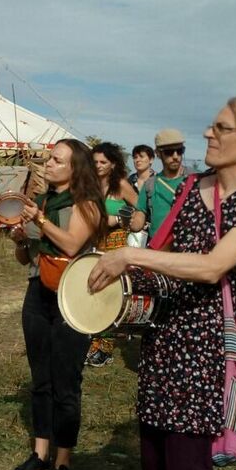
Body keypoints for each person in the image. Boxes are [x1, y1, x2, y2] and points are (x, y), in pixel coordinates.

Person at [87, 96, 236, 470]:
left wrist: (130, 254)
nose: (208, 135)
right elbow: (166, 256)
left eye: (221, 128)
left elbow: (212, 266)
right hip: (163, 337)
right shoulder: (192, 186)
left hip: (206, 348)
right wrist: (107, 285)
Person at [8, 137, 104, 470]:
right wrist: (20, 239)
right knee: (40, 379)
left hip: (73, 300)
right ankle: (40, 453)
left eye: (56, 160)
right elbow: (27, 258)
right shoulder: (43, 202)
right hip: (37, 293)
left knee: (66, 383)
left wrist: (40, 220)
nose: (48, 164)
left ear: (74, 168)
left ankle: (63, 462)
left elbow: (71, 244)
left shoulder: (86, 204)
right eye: (49, 158)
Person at [87, 142, 139, 367]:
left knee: (109, 293)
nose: (98, 166)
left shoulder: (121, 185)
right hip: (91, 242)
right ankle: (92, 340)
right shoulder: (89, 185)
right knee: (91, 290)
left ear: (113, 164)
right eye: (95, 161)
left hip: (115, 243)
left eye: (103, 162)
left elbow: (140, 209)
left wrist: (118, 219)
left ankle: (105, 347)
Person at [130, 129, 188, 242]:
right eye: (169, 152)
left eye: (180, 151)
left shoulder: (194, 181)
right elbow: (138, 222)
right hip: (158, 248)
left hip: (186, 249)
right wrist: (129, 221)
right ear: (158, 154)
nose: (175, 156)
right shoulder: (150, 185)